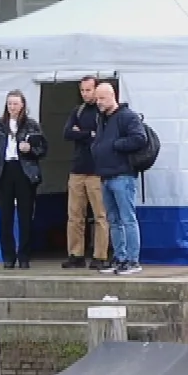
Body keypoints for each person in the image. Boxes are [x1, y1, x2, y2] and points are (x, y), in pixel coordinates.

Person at [0, 90, 47, 269]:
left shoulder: (31, 125)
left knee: (25, 216)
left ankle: (24, 256)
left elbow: (43, 149)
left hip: (25, 171)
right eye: (9, 103)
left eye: (15, 103)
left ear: (22, 105)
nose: (12, 107)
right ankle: (8, 257)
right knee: (5, 216)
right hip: (4, 171)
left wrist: (30, 150)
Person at [90, 82, 149, 276]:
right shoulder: (102, 119)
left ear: (112, 96)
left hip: (123, 175)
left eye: (102, 98)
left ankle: (133, 260)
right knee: (113, 220)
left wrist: (115, 145)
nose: (99, 102)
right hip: (105, 175)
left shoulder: (127, 116)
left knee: (127, 219)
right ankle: (120, 257)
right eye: (97, 99)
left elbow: (140, 138)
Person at [63, 76, 111, 271]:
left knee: (100, 215)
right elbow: (67, 133)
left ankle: (100, 255)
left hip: (97, 171)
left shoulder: (103, 112)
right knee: (75, 215)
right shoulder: (78, 110)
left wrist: (81, 133)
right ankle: (76, 254)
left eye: (88, 90)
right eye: (82, 90)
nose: (85, 94)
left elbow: (101, 136)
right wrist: (87, 134)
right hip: (77, 169)